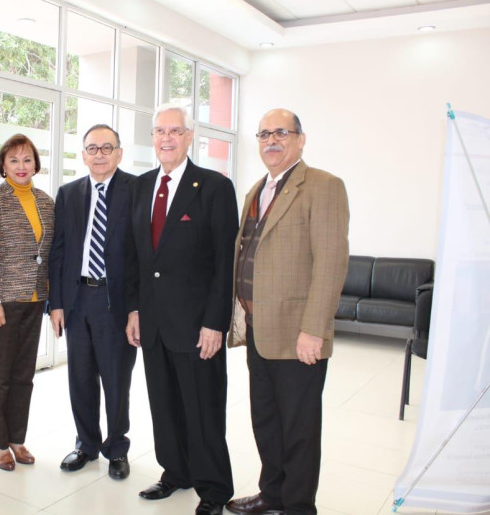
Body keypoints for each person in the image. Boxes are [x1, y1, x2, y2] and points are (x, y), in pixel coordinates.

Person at [226, 109, 349, 515]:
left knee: (298, 427)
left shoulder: (323, 186)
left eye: (281, 132)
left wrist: (314, 329)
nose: (271, 140)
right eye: (263, 134)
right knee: (266, 418)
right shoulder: (256, 190)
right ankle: (272, 494)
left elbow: (331, 263)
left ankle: (298, 506)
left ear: (301, 139)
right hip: (258, 328)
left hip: (299, 335)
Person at [125, 103, 239, 515]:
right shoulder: (140, 187)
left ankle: (213, 489)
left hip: (196, 326)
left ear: (190, 137)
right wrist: (134, 310)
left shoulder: (213, 187)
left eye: (175, 131)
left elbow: (224, 263)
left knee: (202, 407)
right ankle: (175, 472)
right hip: (153, 323)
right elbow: (137, 257)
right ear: (152, 137)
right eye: (160, 131)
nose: (167, 139)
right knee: (164, 404)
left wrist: (215, 323)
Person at [49, 124, 136, 480]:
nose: (99, 154)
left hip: (116, 301)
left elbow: (144, 256)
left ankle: (117, 448)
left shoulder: (137, 189)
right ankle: (86, 444)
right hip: (77, 298)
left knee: (116, 378)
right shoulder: (68, 193)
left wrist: (137, 308)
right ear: (82, 155)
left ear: (119, 152)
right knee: (80, 376)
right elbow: (59, 251)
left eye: (106, 148)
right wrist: (56, 303)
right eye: (92, 148)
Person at [0, 133, 55, 472]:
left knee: (24, 375)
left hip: (34, 300)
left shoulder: (46, 201)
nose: (22, 166)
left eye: (28, 160)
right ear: (3, 164)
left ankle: (18, 437)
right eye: (14, 160)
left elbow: (48, 253)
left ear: (36, 164)